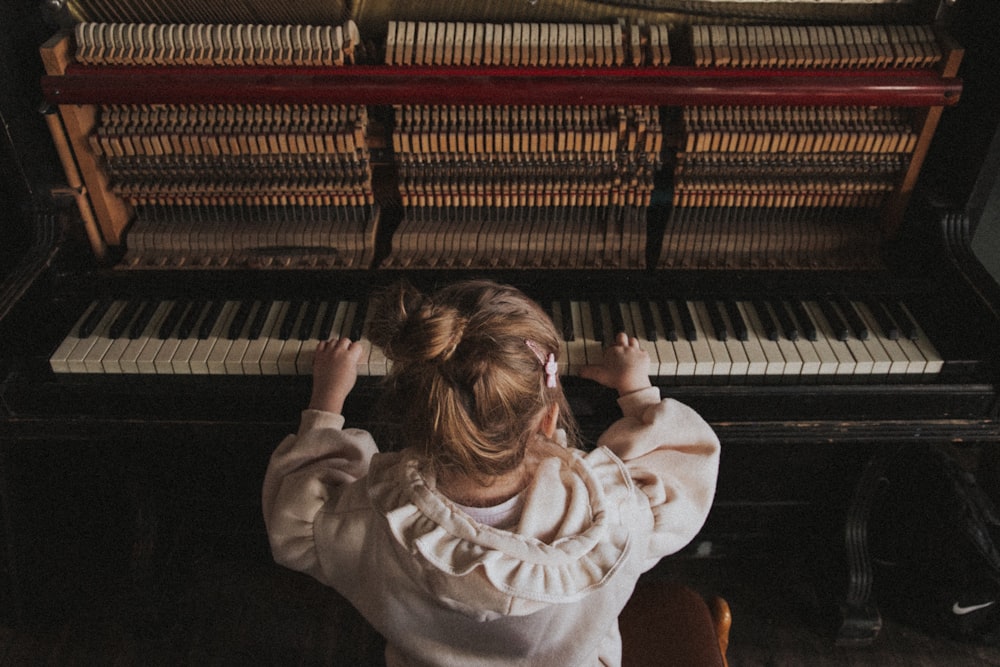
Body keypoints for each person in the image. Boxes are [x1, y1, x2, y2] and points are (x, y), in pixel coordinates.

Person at [262, 279, 720, 666]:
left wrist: (326, 402)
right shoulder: (621, 516)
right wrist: (637, 390)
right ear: (548, 419)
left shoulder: (367, 517)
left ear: (420, 419)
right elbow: (681, 460)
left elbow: (298, 514)